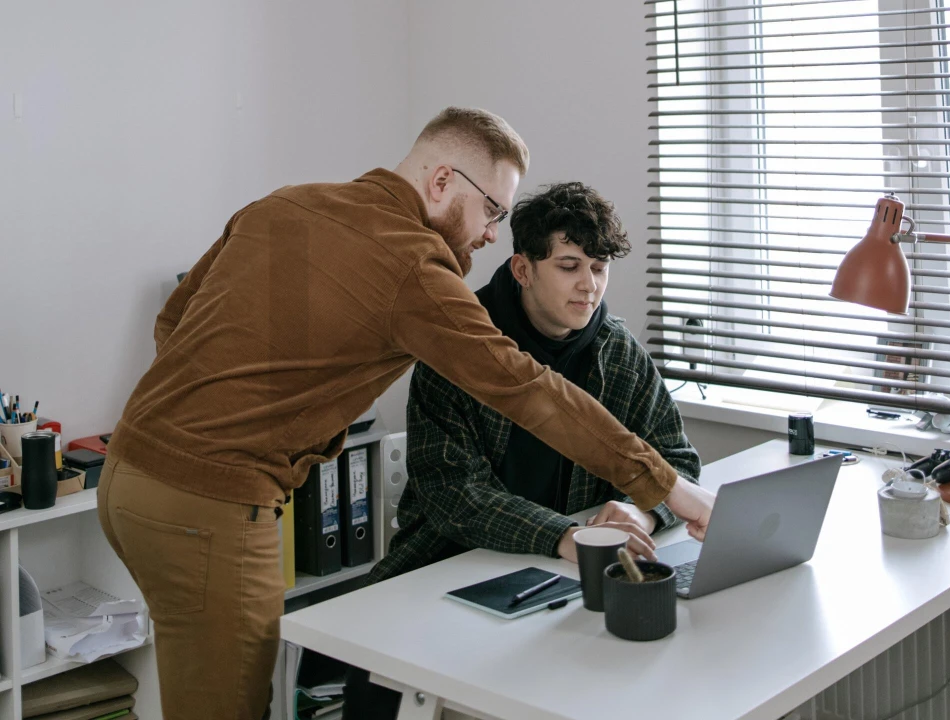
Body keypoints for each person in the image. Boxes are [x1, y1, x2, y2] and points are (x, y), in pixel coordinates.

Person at [97, 108, 715, 720]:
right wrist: (668, 488)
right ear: (442, 181)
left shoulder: (285, 202)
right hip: (213, 503)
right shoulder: (413, 267)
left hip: (126, 476)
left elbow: (175, 319)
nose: (492, 234)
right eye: (491, 210)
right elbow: (525, 388)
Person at [342, 181, 702, 719]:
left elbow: (678, 460)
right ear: (522, 269)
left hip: (564, 576)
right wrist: (563, 535)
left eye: (599, 268)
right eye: (569, 266)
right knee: (379, 679)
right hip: (448, 564)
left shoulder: (618, 350)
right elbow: (454, 494)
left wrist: (643, 512)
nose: (589, 286)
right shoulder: (460, 345)